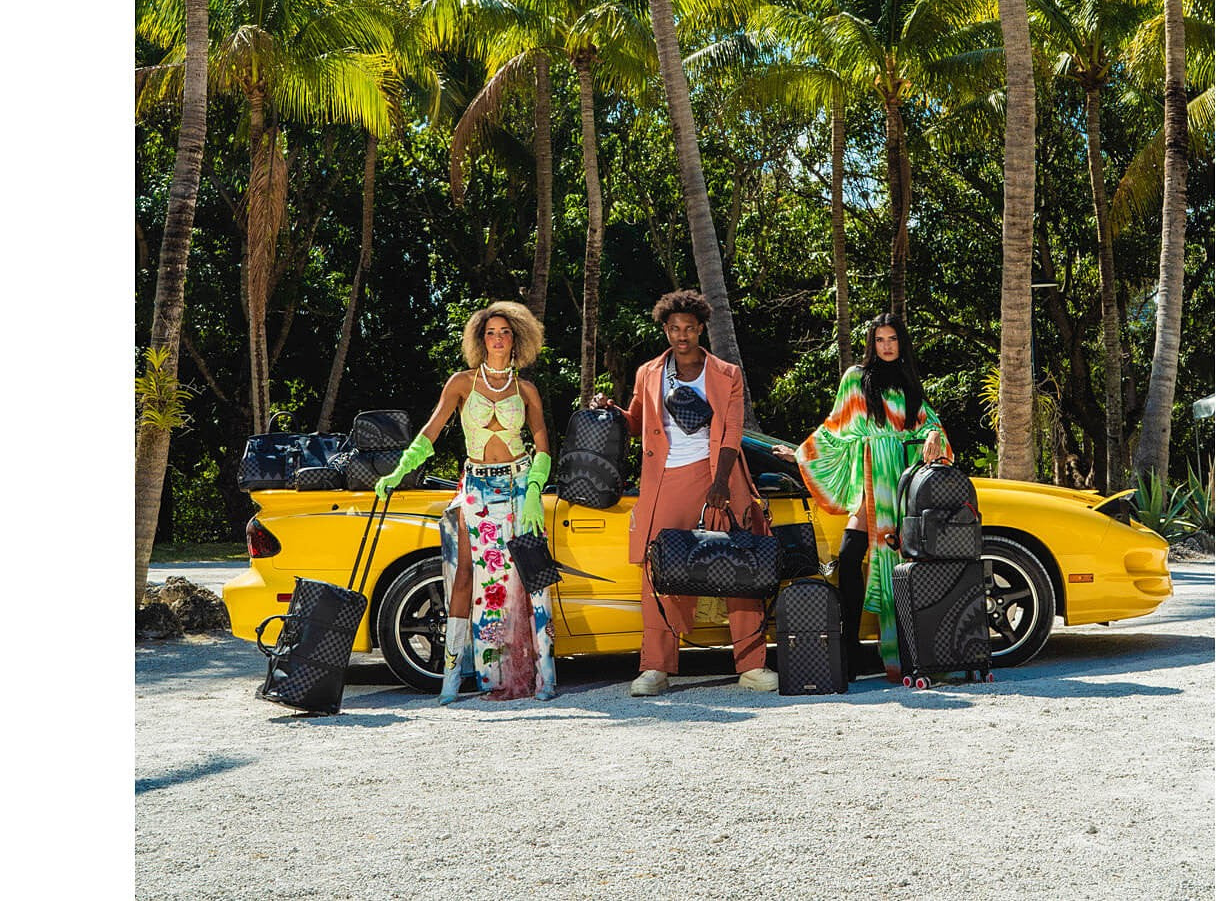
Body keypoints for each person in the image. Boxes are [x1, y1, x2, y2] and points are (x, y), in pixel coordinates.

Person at [592, 289, 778, 696]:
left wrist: (720, 483)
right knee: (659, 569)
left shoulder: (726, 373)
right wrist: (611, 409)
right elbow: (637, 422)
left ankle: (752, 665)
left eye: (689, 328)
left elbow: (731, 431)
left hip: (718, 477)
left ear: (700, 329)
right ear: (665, 329)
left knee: (739, 563)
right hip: (665, 481)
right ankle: (655, 667)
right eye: (674, 328)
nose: (682, 335)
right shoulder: (649, 373)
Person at [376, 301, 556, 702]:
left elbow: (543, 447)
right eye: (491, 333)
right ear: (480, 340)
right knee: (464, 577)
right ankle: (452, 677)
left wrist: (534, 490)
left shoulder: (526, 390)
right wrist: (399, 471)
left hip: (518, 485)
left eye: (505, 333)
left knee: (532, 574)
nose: (498, 339)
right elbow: (431, 431)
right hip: (477, 487)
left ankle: (546, 677)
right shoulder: (462, 383)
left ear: (516, 340)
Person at [774, 313, 953, 683]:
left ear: (901, 343)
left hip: (902, 479)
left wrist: (934, 434)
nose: (886, 346)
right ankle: (849, 651)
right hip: (871, 478)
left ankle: (907, 652)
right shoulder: (856, 378)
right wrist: (801, 454)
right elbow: (836, 427)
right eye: (880, 340)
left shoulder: (908, 383)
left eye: (892, 339)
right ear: (872, 344)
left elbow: (930, 423)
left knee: (902, 563)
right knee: (850, 555)